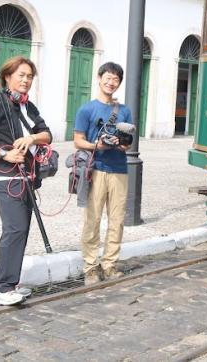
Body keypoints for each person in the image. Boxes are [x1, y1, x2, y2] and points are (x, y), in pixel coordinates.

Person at [0, 56, 52, 306]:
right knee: (14, 228)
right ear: (7, 77)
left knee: (21, 230)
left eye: (29, 76)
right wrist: (4, 153)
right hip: (4, 177)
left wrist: (32, 139)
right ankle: (2, 288)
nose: (26, 80)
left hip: (26, 177)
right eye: (21, 75)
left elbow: (47, 134)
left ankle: (10, 283)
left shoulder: (28, 107)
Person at [74, 62, 133, 284]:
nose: (111, 82)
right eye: (107, 77)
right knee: (93, 219)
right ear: (99, 78)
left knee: (117, 220)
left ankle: (110, 264)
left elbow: (128, 143)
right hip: (95, 169)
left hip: (119, 169)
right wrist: (96, 145)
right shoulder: (86, 109)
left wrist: (121, 144)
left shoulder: (124, 111)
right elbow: (77, 140)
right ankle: (90, 267)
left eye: (115, 79)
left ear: (119, 83)